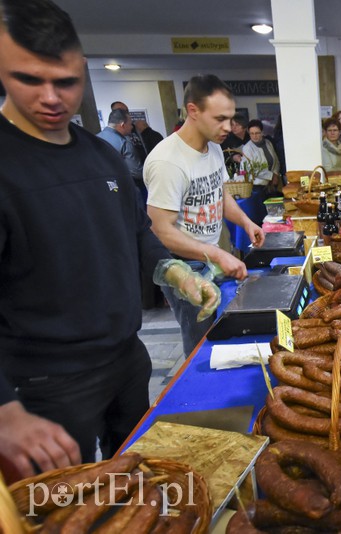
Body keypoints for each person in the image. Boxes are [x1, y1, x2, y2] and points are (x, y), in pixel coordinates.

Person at [0, 0, 220, 478]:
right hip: (44, 381)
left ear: (81, 70)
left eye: (65, 82)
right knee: (61, 501)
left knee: (136, 481)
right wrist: (5, 411)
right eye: (29, 80)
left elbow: (137, 232)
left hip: (125, 354)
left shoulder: (100, 157)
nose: (51, 97)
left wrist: (175, 271)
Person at [144, 75, 265, 357]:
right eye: (220, 118)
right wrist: (216, 254)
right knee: (201, 343)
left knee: (220, 329)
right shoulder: (167, 162)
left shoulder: (212, 147)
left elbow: (221, 196)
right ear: (193, 110)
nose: (229, 127)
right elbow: (160, 230)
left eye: (231, 119)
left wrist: (246, 222)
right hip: (184, 268)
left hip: (210, 256)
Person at [97, 108, 144, 195]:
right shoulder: (124, 142)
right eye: (130, 124)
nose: (132, 127)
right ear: (122, 125)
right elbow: (136, 172)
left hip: (102, 189)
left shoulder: (95, 138)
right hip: (124, 189)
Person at [242, 119, 282, 195]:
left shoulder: (268, 143)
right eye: (251, 133)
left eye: (257, 133)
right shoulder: (247, 148)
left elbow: (276, 160)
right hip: (257, 186)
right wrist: (271, 176)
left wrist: (275, 174)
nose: (254, 136)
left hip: (272, 185)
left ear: (262, 132)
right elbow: (251, 169)